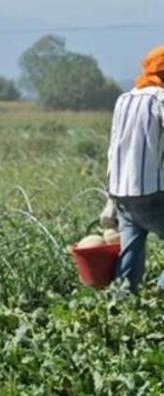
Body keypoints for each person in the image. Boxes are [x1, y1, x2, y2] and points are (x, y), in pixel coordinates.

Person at [101, 45, 164, 293]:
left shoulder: (124, 99)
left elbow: (112, 148)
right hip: (152, 193)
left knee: (131, 254)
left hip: (122, 193)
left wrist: (109, 201)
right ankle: (159, 295)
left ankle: (120, 306)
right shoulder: (160, 99)